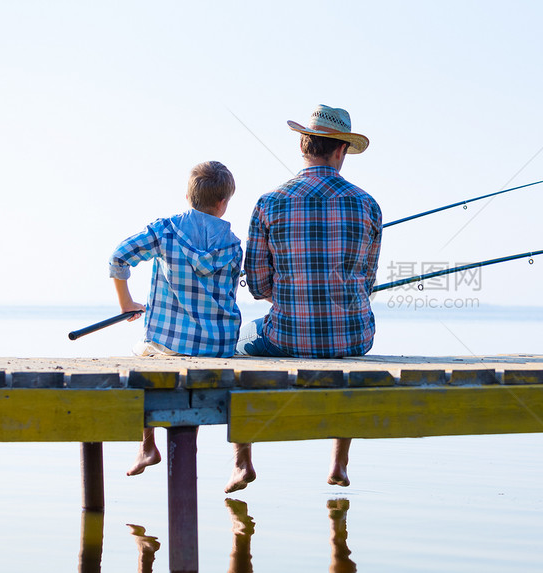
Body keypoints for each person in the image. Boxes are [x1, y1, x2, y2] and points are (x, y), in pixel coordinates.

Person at [238, 104, 382, 487]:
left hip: (285, 336)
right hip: (354, 338)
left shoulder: (269, 203)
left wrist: (292, 295)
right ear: (339, 151)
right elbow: (365, 282)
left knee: (236, 342)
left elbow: (257, 284)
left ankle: (242, 461)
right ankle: (339, 463)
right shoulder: (368, 204)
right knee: (344, 357)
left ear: (304, 146)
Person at [109, 160, 256, 493]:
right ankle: (242, 460)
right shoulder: (233, 245)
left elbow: (118, 258)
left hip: (168, 343)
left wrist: (126, 305)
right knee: (233, 380)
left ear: (189, 197)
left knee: (140, 360)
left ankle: (148, 447)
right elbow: (229, 292)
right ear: (223, 203)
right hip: (218, 346)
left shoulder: (165, 230)